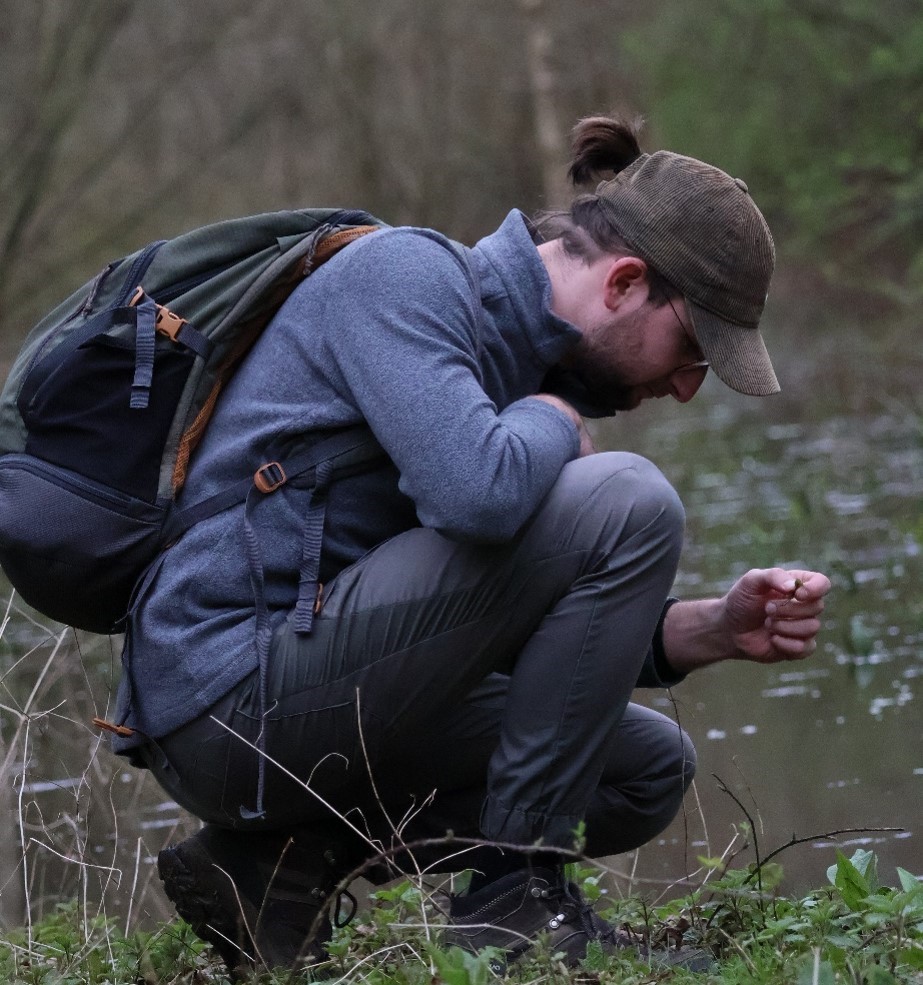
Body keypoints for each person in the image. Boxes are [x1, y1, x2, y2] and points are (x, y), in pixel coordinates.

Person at [113, 116, 831, 976]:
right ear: (625, 281)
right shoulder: (404, 278)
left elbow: (506, 633)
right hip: (229, 700)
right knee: (631, 499)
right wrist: (552, 419)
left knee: (642, 769)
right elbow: (477, 498)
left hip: (322, 693)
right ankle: (513, 905)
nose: (684, 387)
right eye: (691, 350)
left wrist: (708, 629)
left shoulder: (514, 373)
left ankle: (274, 869)